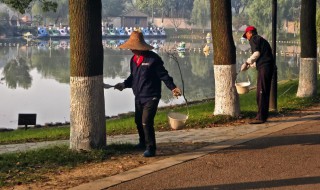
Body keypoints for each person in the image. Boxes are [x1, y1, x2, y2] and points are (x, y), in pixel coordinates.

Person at [114, 30, 182, 157]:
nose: (131, 50)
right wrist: (123, 85)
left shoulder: (153, 59)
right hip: (139, 96)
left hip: (152, 96)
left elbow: (164, 75)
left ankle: (151, 148)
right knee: (138, 121)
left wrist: (173, 88)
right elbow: (133, 77)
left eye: (133, 47)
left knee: (146, 121)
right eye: (131, 48)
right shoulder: (134, 60)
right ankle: (142, 142)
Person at [242, 26, 275, 124]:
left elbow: (256, 54)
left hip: (265, 68)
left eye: (246, 35)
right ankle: (262, 115)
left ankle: (261, 117)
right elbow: (260, 56)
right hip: (267, 67)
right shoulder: (260, 39)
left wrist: (247, 62)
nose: (247, 38)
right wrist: (250, 65)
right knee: (263, 91)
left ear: (250, 33)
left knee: (261, 92)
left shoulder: (254, 39)